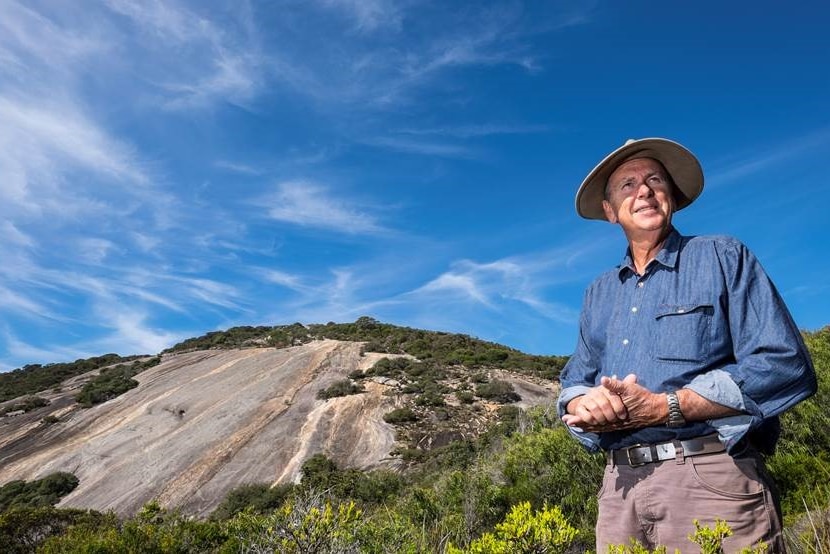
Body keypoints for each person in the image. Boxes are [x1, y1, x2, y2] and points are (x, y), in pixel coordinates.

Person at [557, 137, 816, 553]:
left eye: (654, 179)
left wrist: (668, 406)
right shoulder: (598, 292)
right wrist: (580, 404)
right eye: (627, 184)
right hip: (619, 491)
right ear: (609, 211)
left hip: (711, 480)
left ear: (671, 196)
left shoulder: (723, 256)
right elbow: (574, 379)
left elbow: (785, 364)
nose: (643, 190)